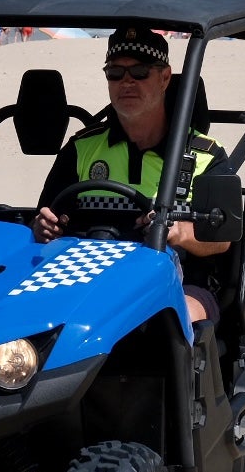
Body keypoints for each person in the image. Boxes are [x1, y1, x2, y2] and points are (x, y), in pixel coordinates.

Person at [32, 25, 232, 324]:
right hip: (88, 276)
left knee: (165, 320)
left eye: (139, 72)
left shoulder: (205, 156)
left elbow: (223, 240)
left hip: (180, 281)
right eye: (115, 73)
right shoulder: (81, 149)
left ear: (165, 78)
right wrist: (43, 227)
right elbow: (45, 217)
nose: (126, 82)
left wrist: (179, 233)